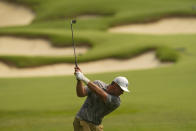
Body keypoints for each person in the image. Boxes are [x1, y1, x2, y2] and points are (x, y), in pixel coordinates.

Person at [73, 66, 130, 131]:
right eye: (121, 90)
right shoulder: (98, 83)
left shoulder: (117, 101)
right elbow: (81, 94)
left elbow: (101, 94)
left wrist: (83, 78)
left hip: (96, 125)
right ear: (114, 85)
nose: (122, 93)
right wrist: (79, 79)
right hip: (82, 121)